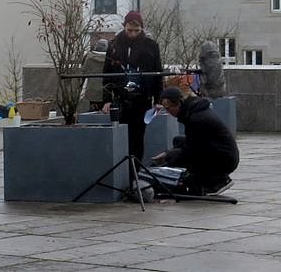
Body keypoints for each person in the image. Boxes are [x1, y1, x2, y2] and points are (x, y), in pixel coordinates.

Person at [153, 88, 238, 195]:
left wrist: (169, 156)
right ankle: (203, 178)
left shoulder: (197, 118)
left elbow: (192, 149)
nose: (168, 112)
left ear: (178, 104)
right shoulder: (193, 112)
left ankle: (217, 180)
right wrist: (169, 153)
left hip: (224, 159)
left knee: (179, 157)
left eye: (169, 108)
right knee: (178, 141)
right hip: (219, 150)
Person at [102, 11, 163, 160]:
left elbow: (158, 73)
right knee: (122, 136)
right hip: (120, 98)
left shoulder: (151, 46)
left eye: (136, 30)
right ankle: (125, 168)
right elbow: (107, 73)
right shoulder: (114, 45)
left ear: (141, 28)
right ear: (124, 27)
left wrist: (158, 100)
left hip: (142, 98)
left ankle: (136, 166)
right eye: (129, 30)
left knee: (138, 137)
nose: (133, 34)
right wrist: (107, 100)